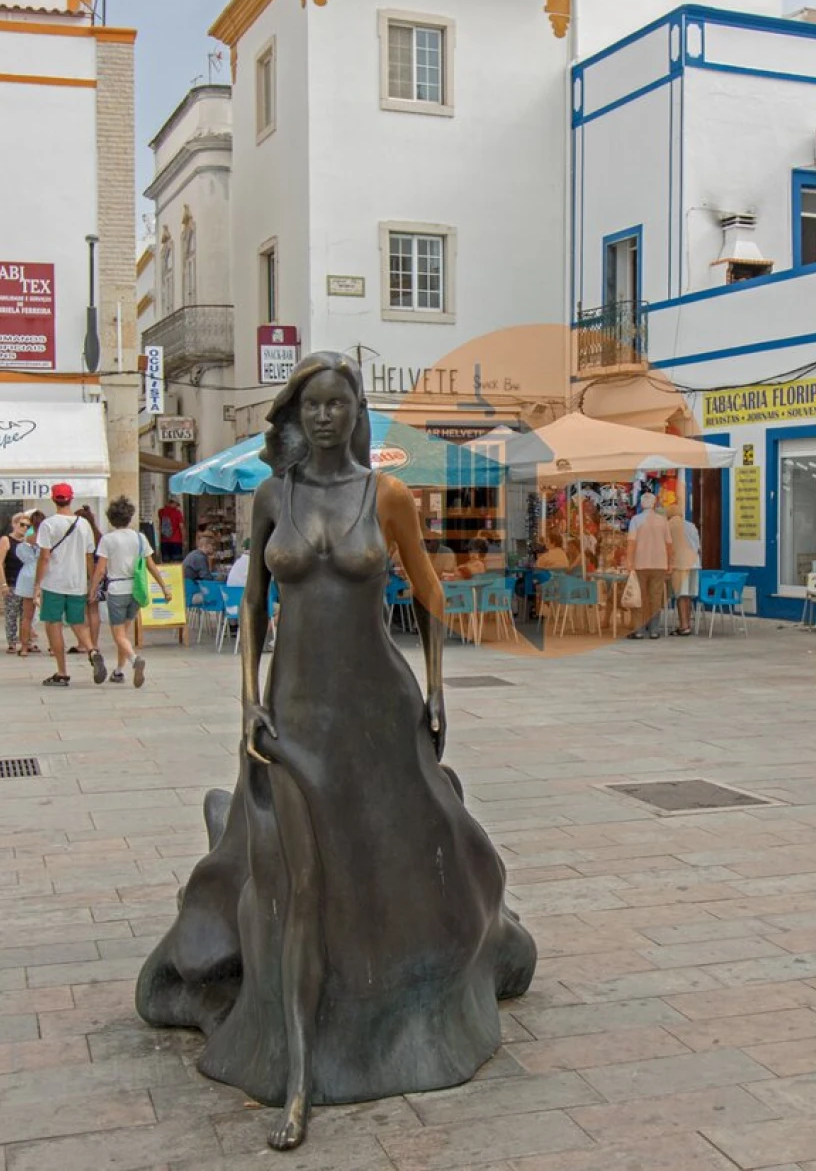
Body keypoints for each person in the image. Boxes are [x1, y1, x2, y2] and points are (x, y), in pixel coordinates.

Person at [135, 352, 534, 1153]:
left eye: (338, 403)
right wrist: (246, 699)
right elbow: (252, 604)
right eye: (311, 404)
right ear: (294, 412)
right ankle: (299, 1070)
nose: (324, 416)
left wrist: (437, 688)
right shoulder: (271, 495)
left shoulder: (384, 495)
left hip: (378, 713)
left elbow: (428, 591)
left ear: (356, 412)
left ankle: (398, 1009)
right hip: (294, 716)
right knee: (301, 880)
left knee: (379, 864)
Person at [91, 495, 171, 687]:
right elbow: (151, 565)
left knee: (118, 635)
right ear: (130, 517)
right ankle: (118, 671)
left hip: (117, 589)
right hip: (136, 589)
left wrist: (92, 589)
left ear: (110, 518)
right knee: (124, 635)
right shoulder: (140, 537)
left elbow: (101, 569)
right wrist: (164, 587)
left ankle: (135, 660)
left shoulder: (107, 540)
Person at [33, 483, 106, 687]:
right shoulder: (83, 524)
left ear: (53, 499)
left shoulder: (48, 525)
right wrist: (92, 584)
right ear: (71, 499)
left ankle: (62, 671)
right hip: (77, 582)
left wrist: (37, 584)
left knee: (53, 625)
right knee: (78, 622)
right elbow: (89, 556)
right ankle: (92, 650)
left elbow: (44, 558)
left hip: (54, 582)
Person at [626, 491, 673, 639]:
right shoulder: (663, 520)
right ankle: (654, 630)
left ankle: (639, 630)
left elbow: (631, 543)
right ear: (654, 504)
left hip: (640, 563)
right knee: (656, 597)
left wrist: (629, 562)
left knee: (640, 597)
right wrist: (670, 564)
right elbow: (669, 545)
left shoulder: (636, 520)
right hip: (659, 564)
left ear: (641, 504)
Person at [0, 514, 31, 653]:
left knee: (26, 615)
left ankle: (25, 641)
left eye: (28, 526)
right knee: (11, 613)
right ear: (14, 524)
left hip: (27, 582)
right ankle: (12, 641)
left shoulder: (28, 541)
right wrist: (3, 583)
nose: (24, 528)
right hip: (12, 582)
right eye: (22, 524)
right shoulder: (6, 540)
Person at [74, 506, 105, 658]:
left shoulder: (77, 536)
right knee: (94, 611)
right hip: (96, 577)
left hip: (80, 576)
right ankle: (94, 643)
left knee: (82, 612)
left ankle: (83, 644)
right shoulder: (99, 536)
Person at [666, 503, 701, 636]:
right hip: (694, 563)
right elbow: (698, 546)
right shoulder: (691, 525)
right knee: (688, 596)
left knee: (681, 595)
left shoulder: (669, 526)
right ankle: (687, 624)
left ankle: (684, 626)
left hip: (680, 565)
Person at [14, 510, 45, 656]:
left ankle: (24, 647)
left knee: (27, 615)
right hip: (44, 574)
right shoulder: (47, 538)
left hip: (27, 574)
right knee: (51, 615)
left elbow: (20, 554)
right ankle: (53, 647)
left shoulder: (27, 539)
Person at [158, 497, 185, 562]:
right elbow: (181, 527)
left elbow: (160, 525)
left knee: (166, 561)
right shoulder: (177, 513)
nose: (177, 507)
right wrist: (183, 540)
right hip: (176, 541)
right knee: (176, 562)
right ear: (173, 503)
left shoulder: (161, 511)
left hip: (164, 541)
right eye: (177, 505)